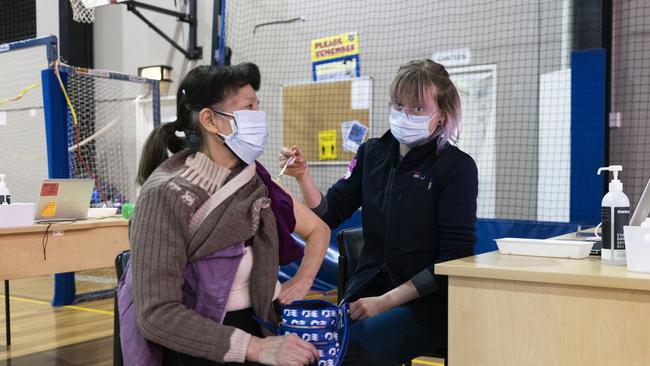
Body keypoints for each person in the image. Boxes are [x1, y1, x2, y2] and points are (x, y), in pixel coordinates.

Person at [119, 63, 330, 366]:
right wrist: (257, 348)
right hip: (204, 343)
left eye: (258, 106)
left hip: (266, 324)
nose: (259, 117)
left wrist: (301, 282)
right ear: (210, 120)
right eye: (249, 108)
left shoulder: (254, 179)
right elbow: (157, 315)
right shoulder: (165, 195)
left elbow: (318, 229)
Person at [279, 59, 478, 365]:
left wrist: (385, 302)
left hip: (425, 303)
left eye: (418, 109)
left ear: (441, 115)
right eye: (398, 105)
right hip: (366, 290)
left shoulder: (456, 167)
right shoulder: (372, 152)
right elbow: (328, 213)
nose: (405, 115)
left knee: (354, 349)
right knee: (307, 346)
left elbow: (453, 259)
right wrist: (303, 176)